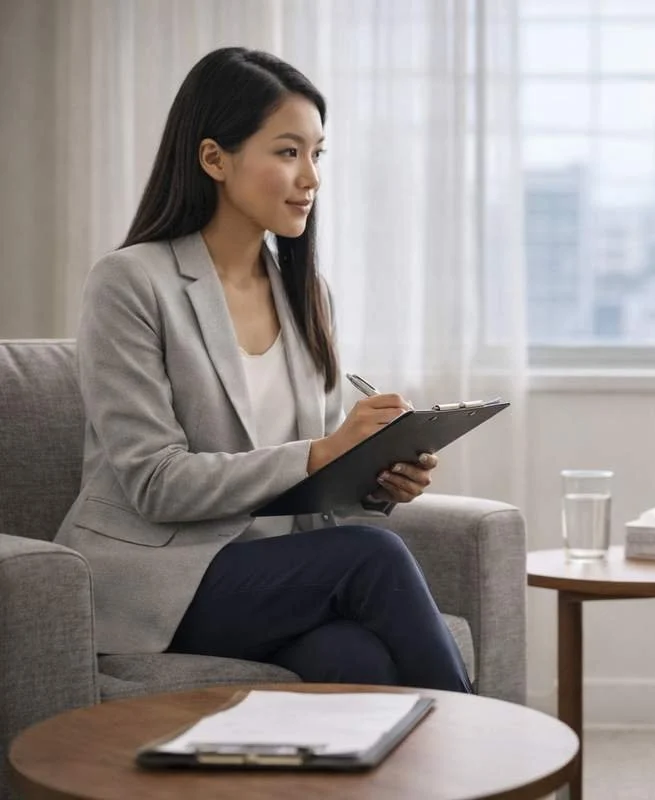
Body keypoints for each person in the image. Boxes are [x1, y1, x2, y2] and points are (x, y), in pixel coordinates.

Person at [53, 46, 471, 692]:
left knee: (357, 662)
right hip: (161, 580)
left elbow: (306, 489)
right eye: (287, 152)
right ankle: (488, 771)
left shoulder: (306, 294)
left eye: (317, 153)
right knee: (375, 556)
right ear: (214, 158)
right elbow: (155, 481)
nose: (312, 178)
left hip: (267, 575)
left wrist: (373, 479)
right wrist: (322, 451)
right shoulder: (130, 284)